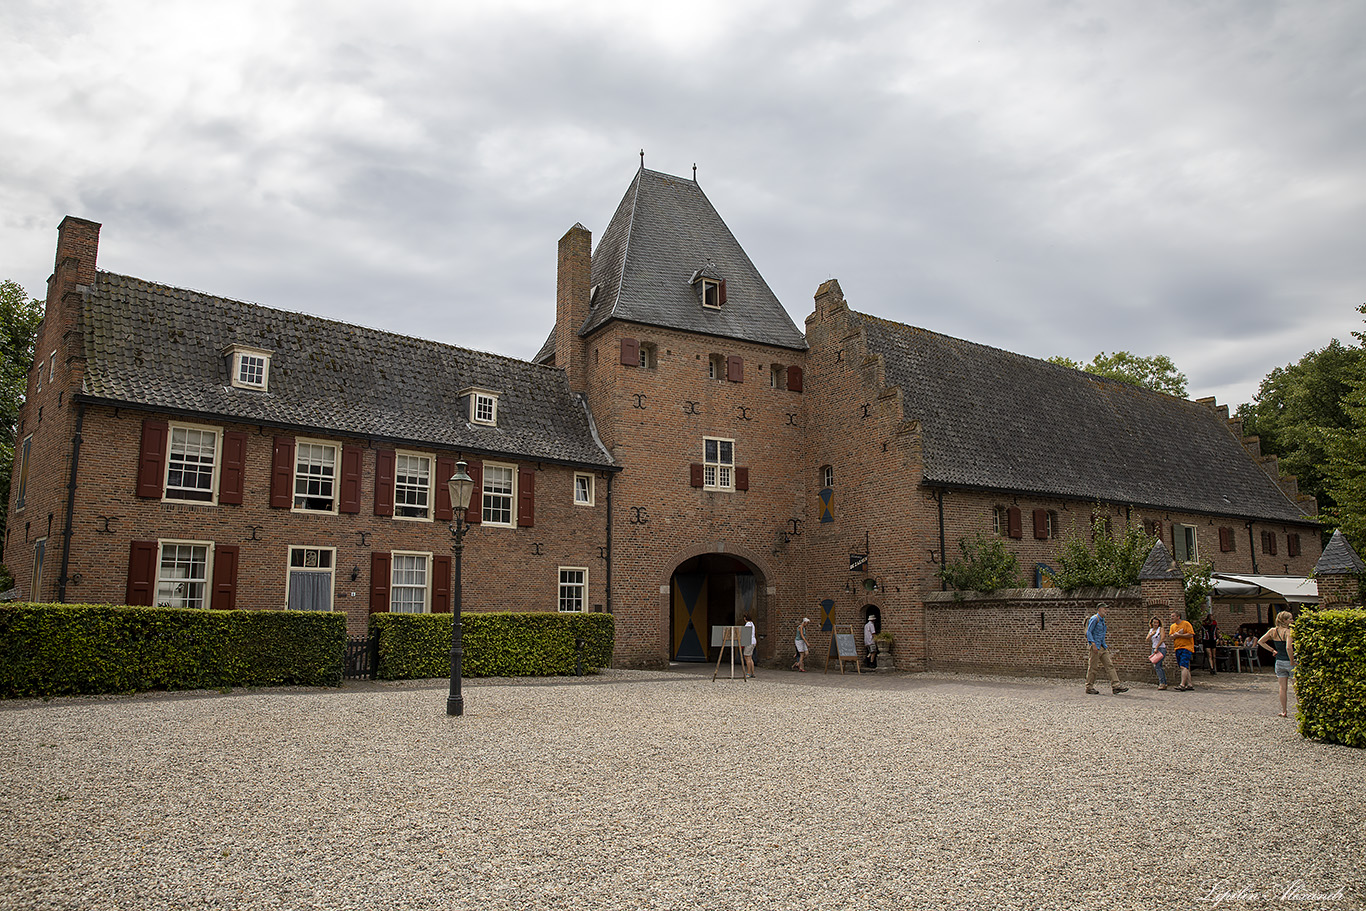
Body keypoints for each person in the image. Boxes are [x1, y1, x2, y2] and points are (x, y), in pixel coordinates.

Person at [1084, 603, 1129, 695]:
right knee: (1093, 667)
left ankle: (1116, 685)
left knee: (1109, 665)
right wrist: (1093, 645)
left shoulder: (1102, 620)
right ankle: (1089, 686)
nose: (1106, 611)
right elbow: (1089, 632)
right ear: (1099, 609)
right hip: (1095, 646)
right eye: (1105, 609)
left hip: (1102, 646)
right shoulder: (1094, 619)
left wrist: (1104, 645)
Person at [1258, 611, 1296, 717]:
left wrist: (1272, 650)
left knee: (1282, 688)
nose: (1292, 621)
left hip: (1279, 661)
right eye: (1290, 619)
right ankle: (1301, 710)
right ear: (1285, 621)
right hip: (1289, 661)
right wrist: (1292, 661)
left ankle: (1284, 711)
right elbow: (1289, 647)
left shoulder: (1273, 631)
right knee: (1296, 687)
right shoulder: (1289, 632)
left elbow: (1261, 641)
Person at [1169, 609, 1196, 691]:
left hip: (1186, 647)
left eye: (1173, 616)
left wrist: (1181, 635)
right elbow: (1171, 636)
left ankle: (1182, 684)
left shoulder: (1186, 624)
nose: (1171, 618)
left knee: (1183, 666)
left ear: (1178, 617)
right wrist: (1175, 635)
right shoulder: (1172, 626)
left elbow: (1191, 634)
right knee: (1185, 667)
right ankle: (1190, 684)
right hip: (1177, 647)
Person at [1146, 616, 1168, 690]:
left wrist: (1157, 647)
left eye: (1157, 623)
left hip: (1160, 649)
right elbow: (1147, 639)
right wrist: (1152, 634)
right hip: (1154, 648)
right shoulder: (1151, 630)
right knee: (1158, 666)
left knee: (1157, 666)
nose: (1155, 624)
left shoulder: (1160, 629)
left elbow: (1162, 638)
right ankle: (1164, 682)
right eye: (1154, 622)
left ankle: (1162, 683)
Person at [741, 613, 756, 678]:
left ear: (745, 618)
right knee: (750, 658)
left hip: (749, 642)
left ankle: (748, 673)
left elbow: (746, 634)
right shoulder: (752, 624)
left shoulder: (747, 624)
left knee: (747, 658)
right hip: (753, 641)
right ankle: (752, 673)